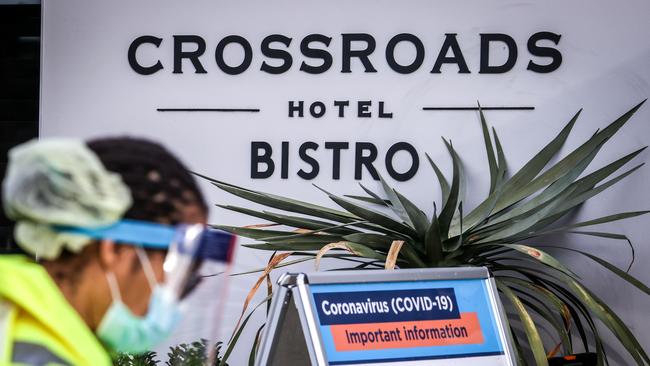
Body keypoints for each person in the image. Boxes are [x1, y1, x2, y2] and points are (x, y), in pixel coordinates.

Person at [0, 137, 210, 365]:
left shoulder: (16, 321)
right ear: (116, 249)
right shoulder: (41, 357)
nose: (175, 301)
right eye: (180, 271)